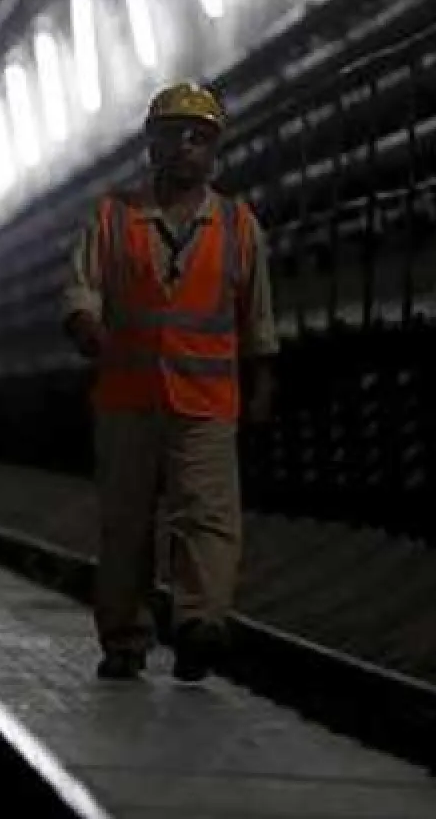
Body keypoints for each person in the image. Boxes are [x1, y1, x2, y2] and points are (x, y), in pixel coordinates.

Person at [62, 81, 278, 683]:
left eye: (199, 137)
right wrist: (85, 325)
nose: (185, 146)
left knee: (206, 517)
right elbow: (83, 287)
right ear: (150, 144)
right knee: (126, 524)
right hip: (128, 400)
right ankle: (125, 638)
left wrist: (263, 384)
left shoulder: (238, 226)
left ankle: (199, 625)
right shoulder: (114, 217)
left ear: (215, 150)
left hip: (206, 400)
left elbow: (258, 318)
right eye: (172, 135)